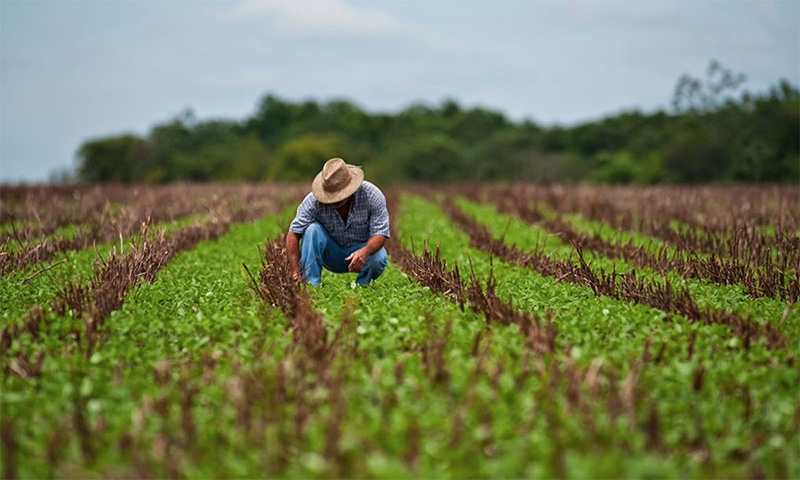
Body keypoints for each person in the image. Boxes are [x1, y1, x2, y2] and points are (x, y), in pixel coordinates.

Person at [286, 157, 389, 286]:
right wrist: (295, 271)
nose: (335, 200)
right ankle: (311, 286)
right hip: (331, 253)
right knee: (312, 230)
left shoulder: (372, 195)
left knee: (378, 257)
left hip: (362, 250)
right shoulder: (313, 201)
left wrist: (365, 251)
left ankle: (362, 287)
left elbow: (380, 233)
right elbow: (293, 234)